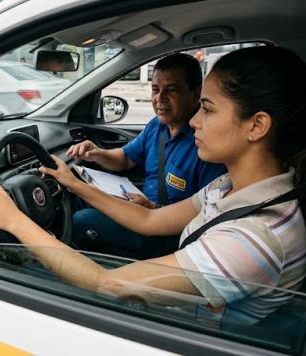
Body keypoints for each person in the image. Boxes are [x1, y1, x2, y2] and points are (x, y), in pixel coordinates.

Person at [0, 46, 306, 323]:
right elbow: (149, 220)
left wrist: (13, 220)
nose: (195, 121)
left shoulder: (254, 240)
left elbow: (108, 285)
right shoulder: (231, 186)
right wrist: (74, 183)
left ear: (257, 125)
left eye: (208, 109)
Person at [68, 53, 225, 258]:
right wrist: (97, 154)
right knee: (79, 198)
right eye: (155, 90)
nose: (160, 99)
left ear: (195, 95)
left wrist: (153, 208)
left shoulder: (206, 144)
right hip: (139, 208)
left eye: (171, 90)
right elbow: (125, 158)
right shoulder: (156, 126)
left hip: (165, 233)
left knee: (82, 220)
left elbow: (208, 215)